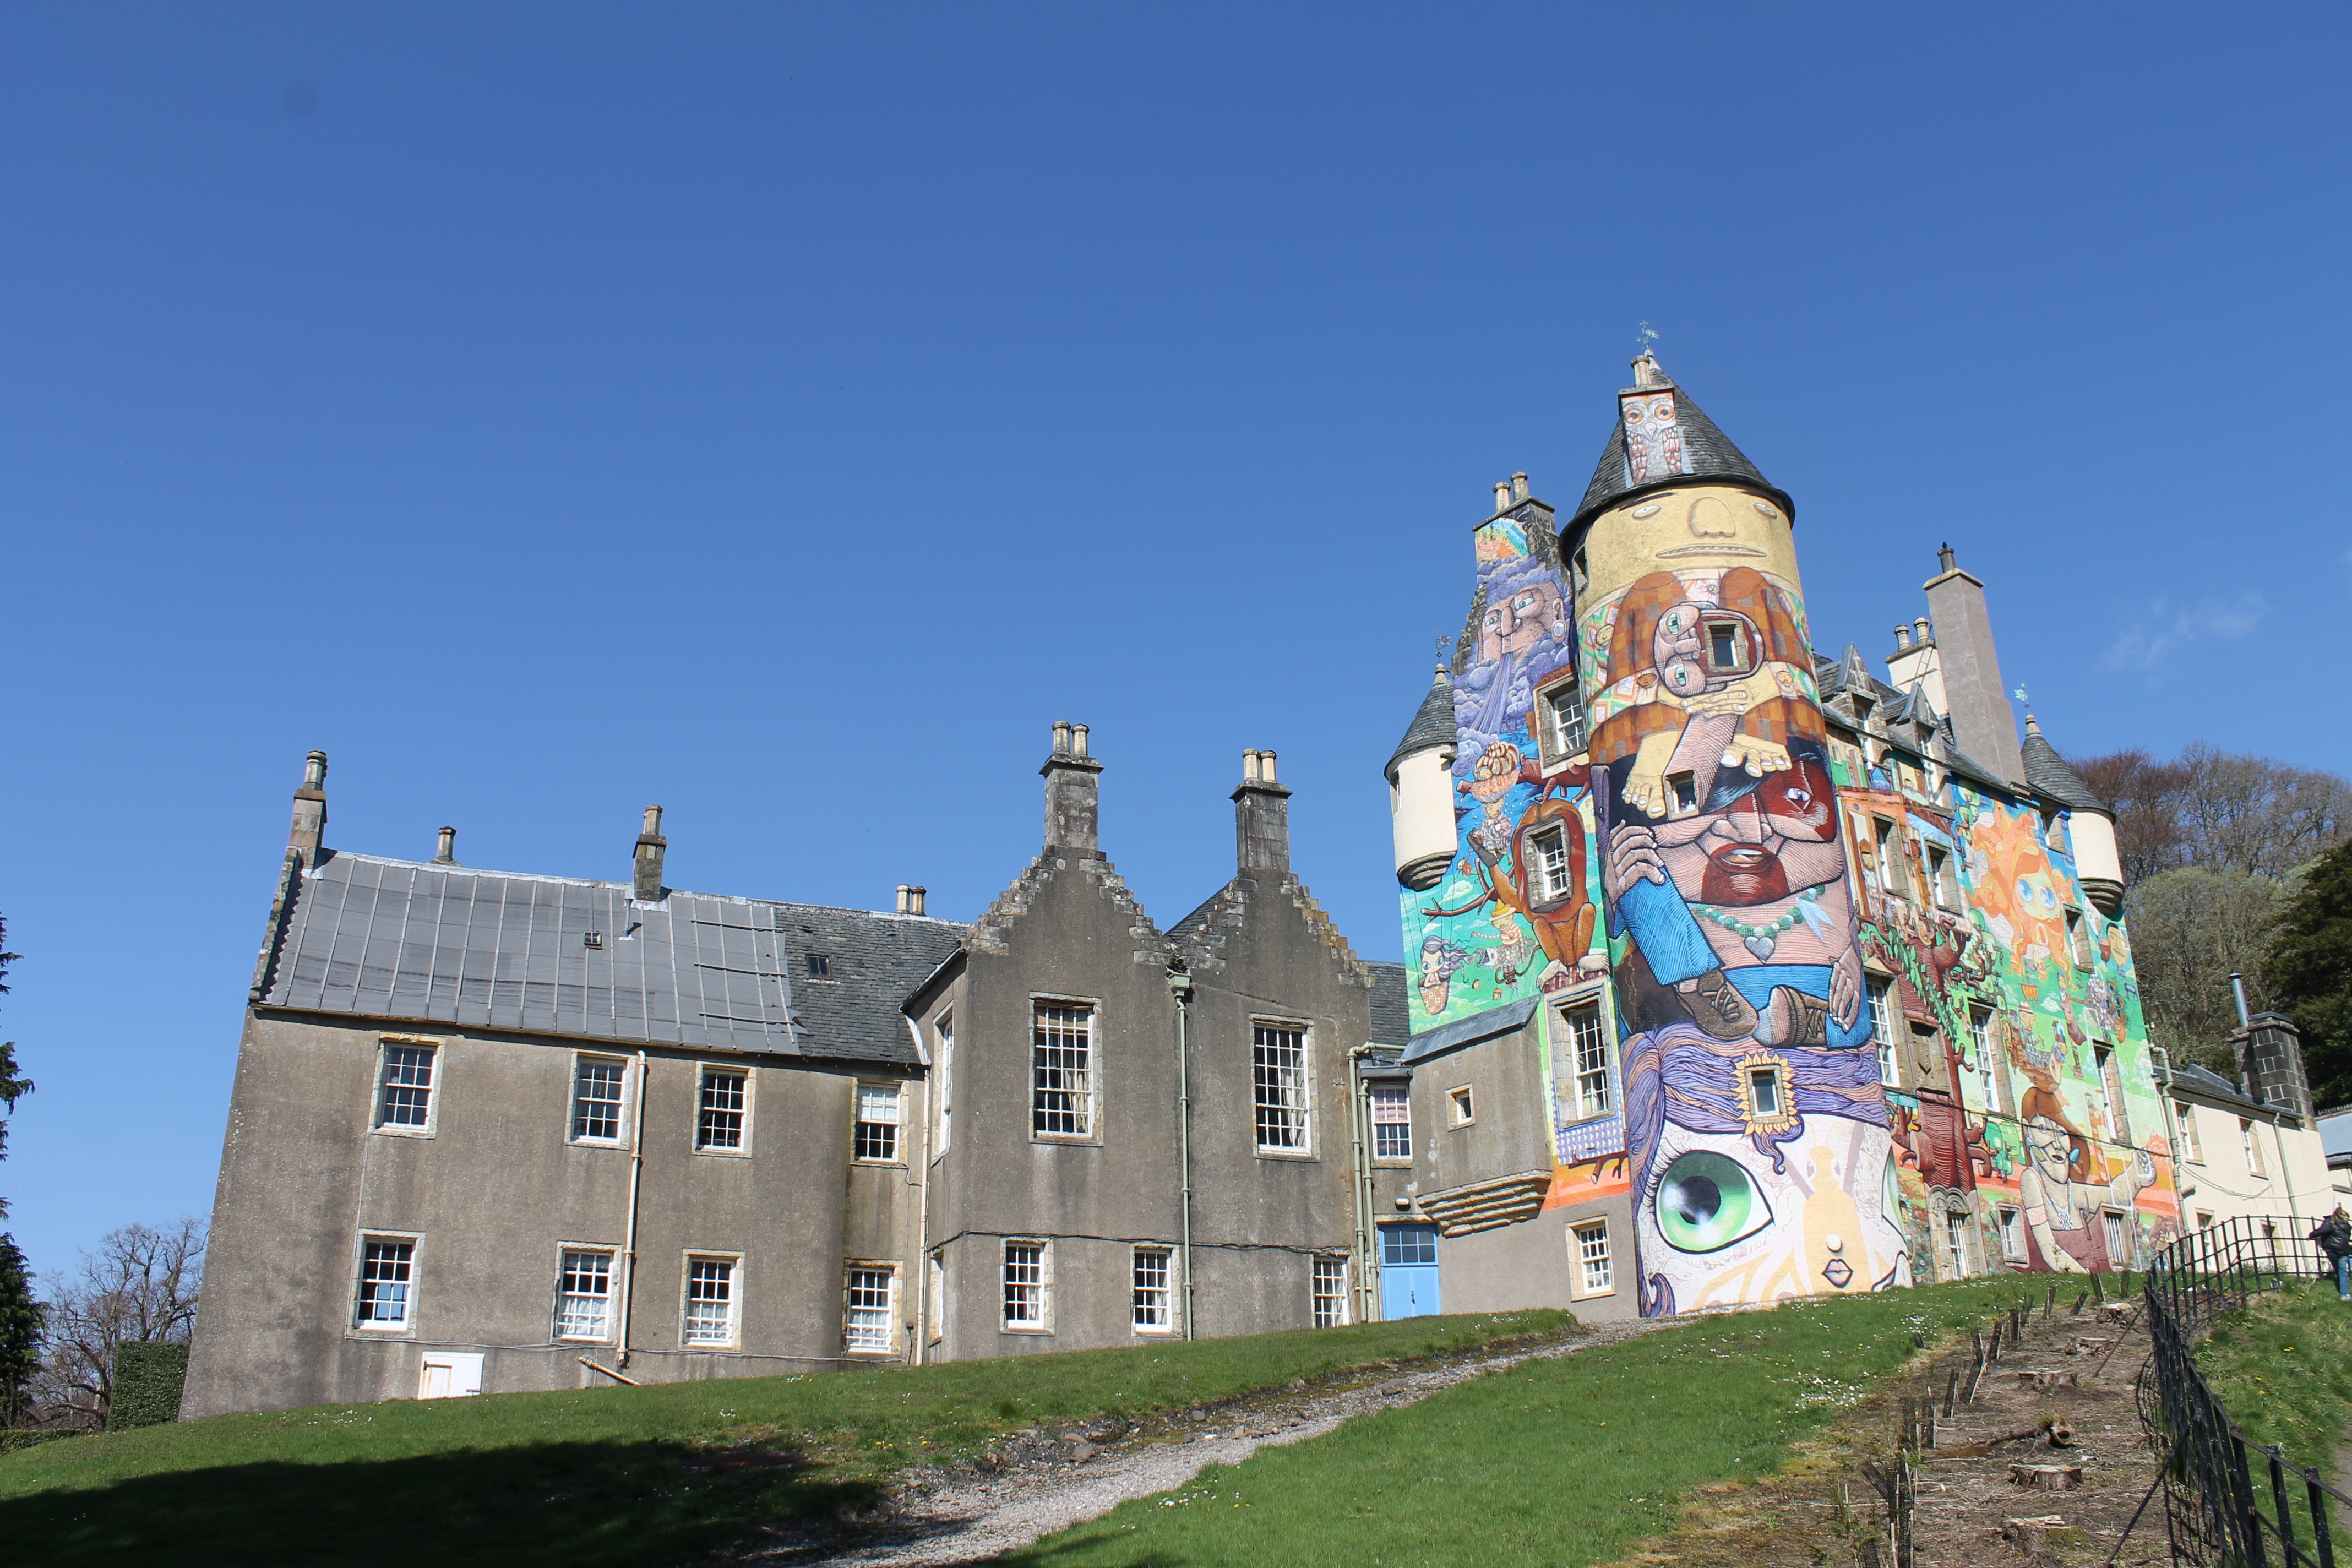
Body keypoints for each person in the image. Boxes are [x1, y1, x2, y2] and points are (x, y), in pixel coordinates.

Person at [2307, 1208, 2351, 1300]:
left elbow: (2321, 1231)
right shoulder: (2347, 1226)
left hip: (2332, 1249)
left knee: (2338, 1270)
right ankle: (2345, 1294)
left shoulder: (2330, 1222)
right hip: (2344, 1250)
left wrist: (2311, 1235)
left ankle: (2342, 1290)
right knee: (2343, 1272)